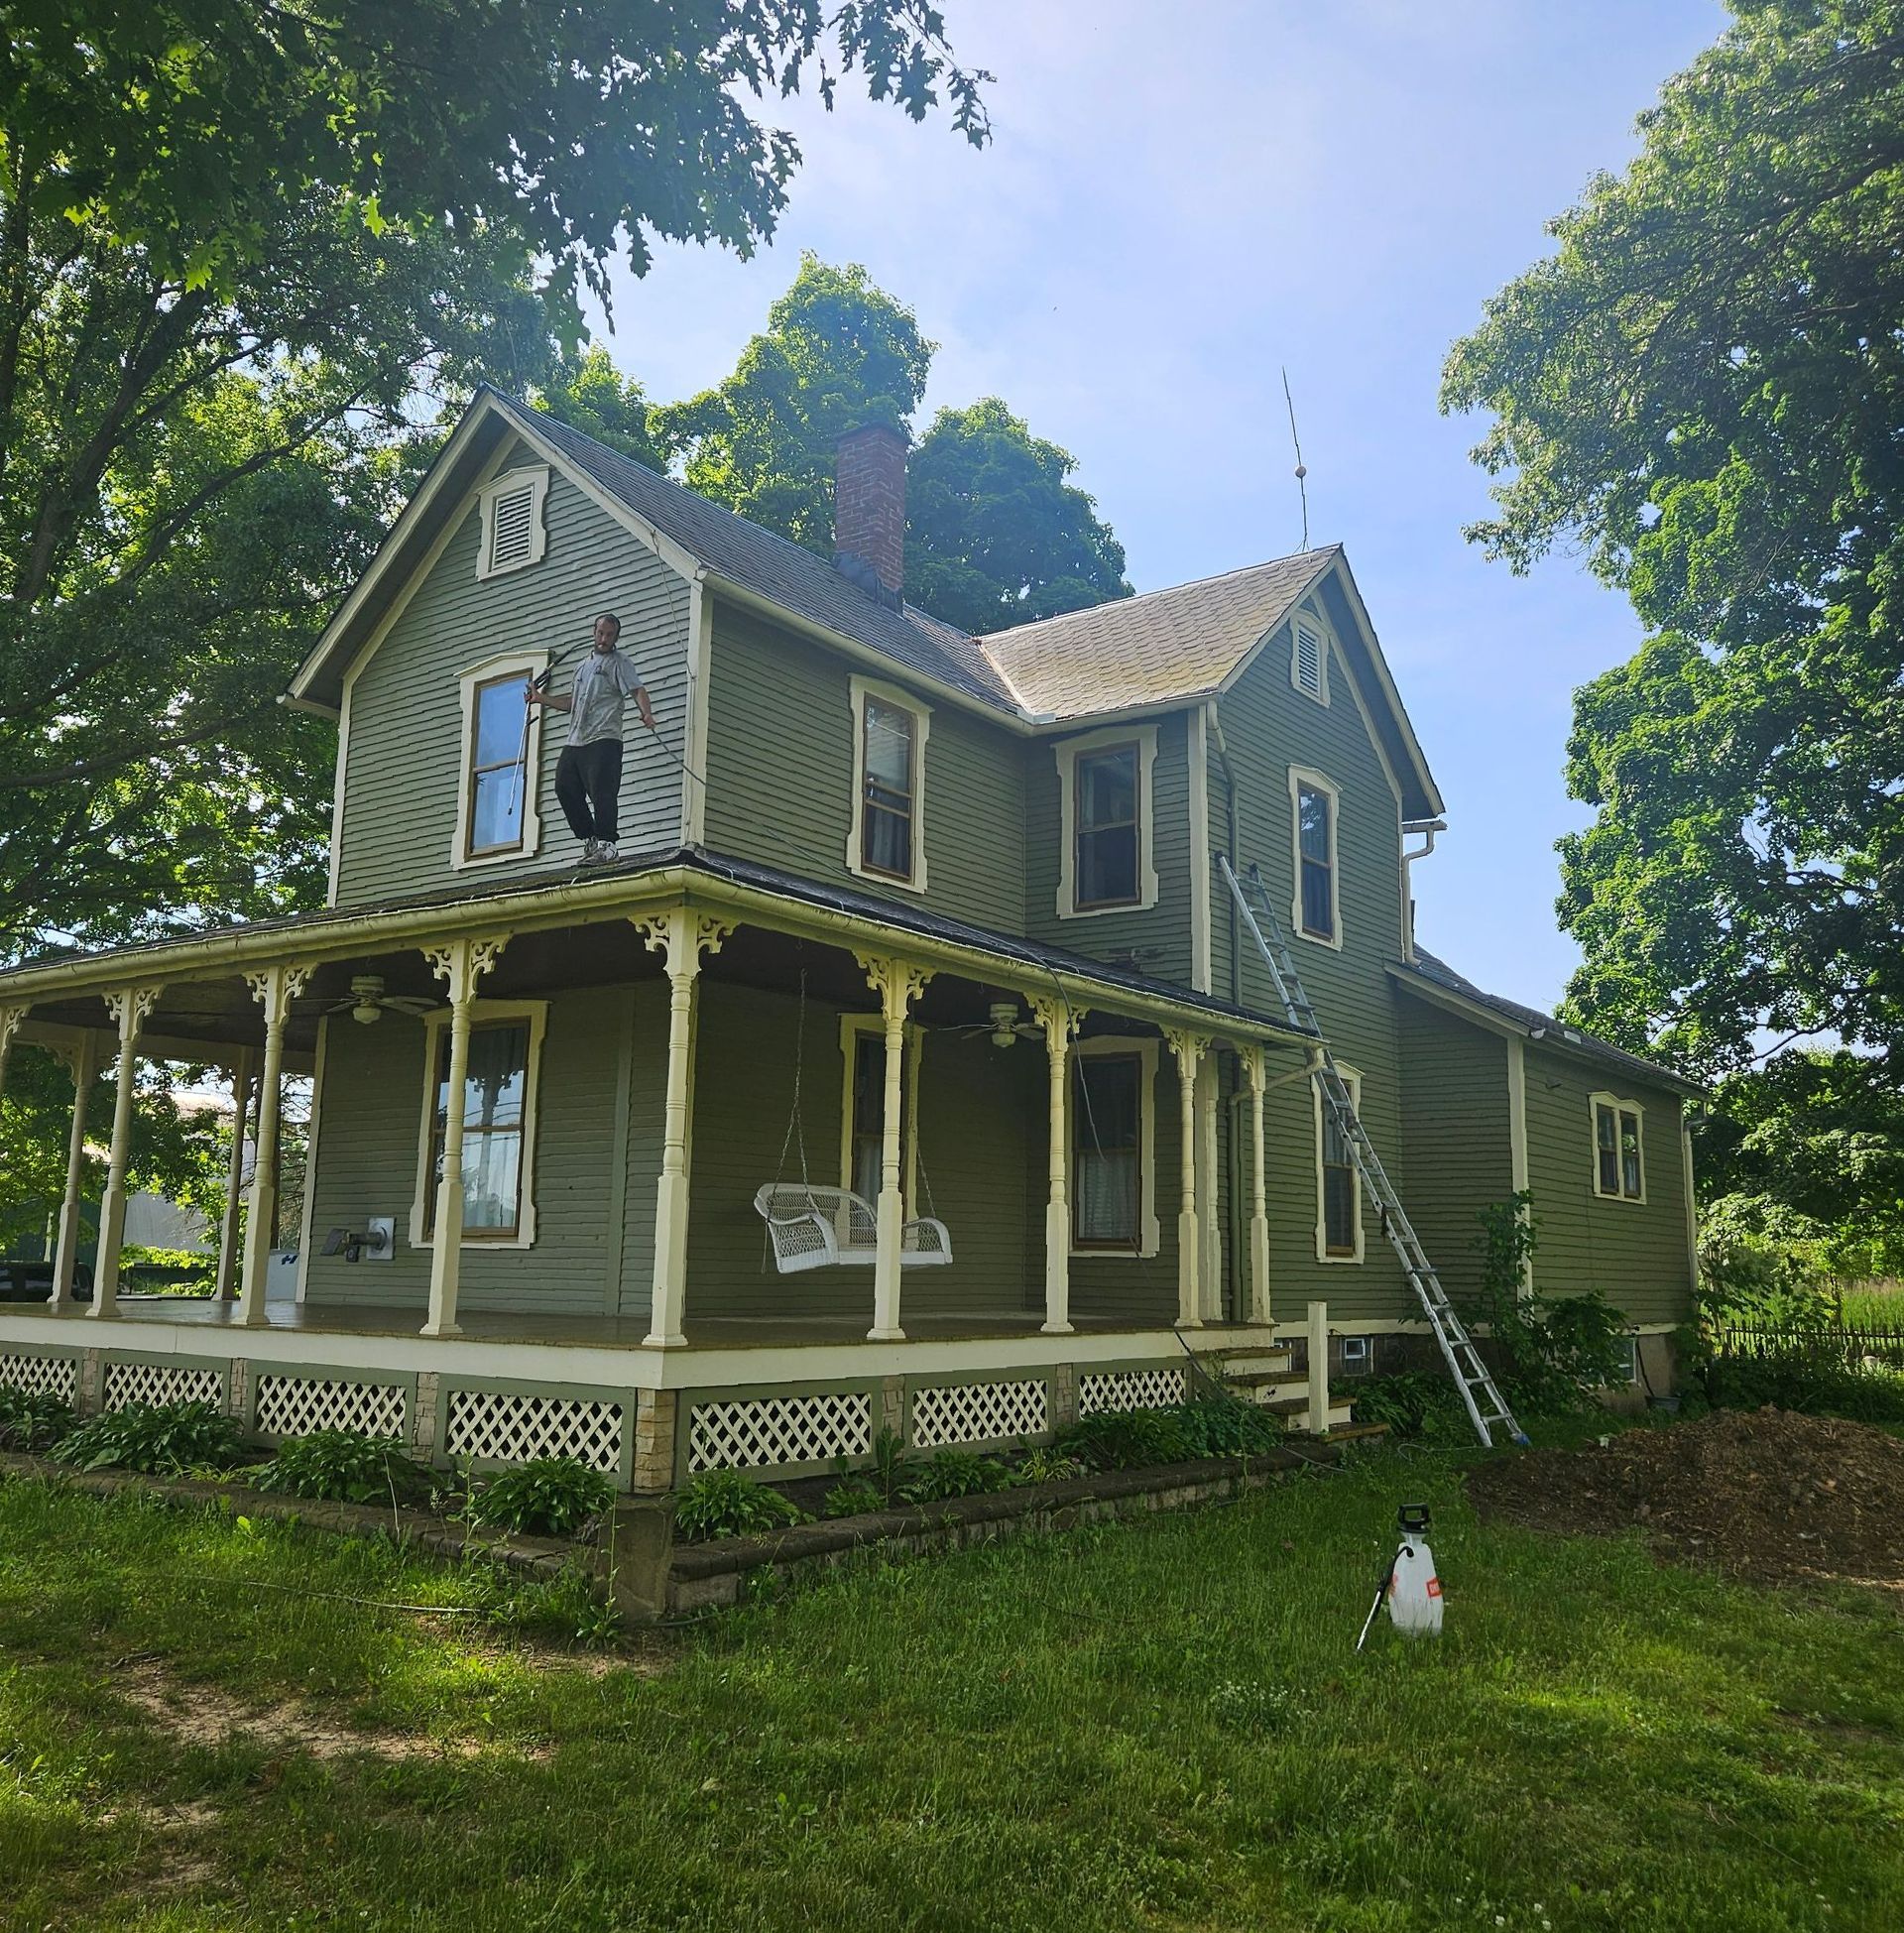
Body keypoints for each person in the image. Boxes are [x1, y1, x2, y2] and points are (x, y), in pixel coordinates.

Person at [526, 612, 655, 864]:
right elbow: (572, 702)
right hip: (576, 739)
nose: (603, 638)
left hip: (604, 738)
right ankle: (591, 838)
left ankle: (608, 845)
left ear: (616, 637)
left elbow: (637, 689)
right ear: (593, 633)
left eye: (609, 635)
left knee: (602, 792)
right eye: (600, 633)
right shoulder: (582, 666)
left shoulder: (620, 662)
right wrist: (541, 699)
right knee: (564, 787)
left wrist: (647, 713)